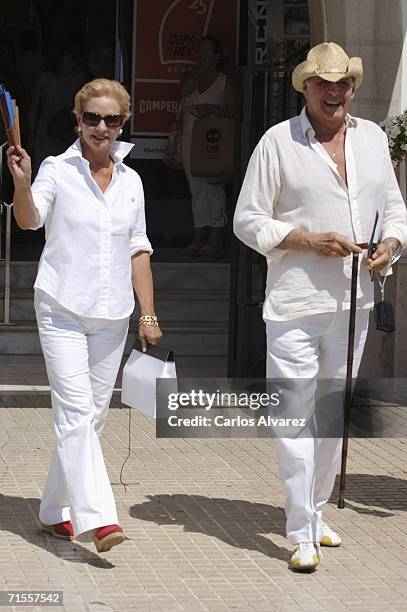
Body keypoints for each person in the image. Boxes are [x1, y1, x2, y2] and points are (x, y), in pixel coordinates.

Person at [233, 43, 407, 571]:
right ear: (305, 87)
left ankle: (313, 511)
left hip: (352, 303)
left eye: (343, 84)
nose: (334, 92)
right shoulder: (277, 142)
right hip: (293, 303)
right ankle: (299, 528)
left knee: (331, 418)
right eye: (322, 84)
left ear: (352, 88)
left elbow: (394, 207)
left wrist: (392, 245)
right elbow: (247, 220)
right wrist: (306, 240)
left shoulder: (374, 139)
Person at [6, 78, 162, 553]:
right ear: (77, 120)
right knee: (75, 412)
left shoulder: (132, 181)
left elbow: (139, 249)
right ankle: (98, 518)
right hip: (61, 307)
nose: (101, 126)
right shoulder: (56, 168)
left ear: (122, 123)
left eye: (111, 119)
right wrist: (21, 180)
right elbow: (29, 220)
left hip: (113, 313)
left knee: (91, 418)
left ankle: (55, 510)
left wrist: (148, 314)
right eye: (91, 117)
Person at [180, 36, 234, 255]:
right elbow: (184, 91)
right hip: (189, 140)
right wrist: (201, 72)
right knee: (196, 189)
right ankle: (198, 235)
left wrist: (212, 110)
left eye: (206, 52)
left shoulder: (224, 81)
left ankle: (215, 237)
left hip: (213, 142)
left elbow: (234, 109)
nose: (202, 56)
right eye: (200, 52)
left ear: (216, 56)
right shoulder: (191, 77)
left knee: (214, 189)